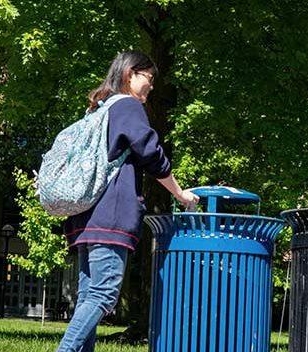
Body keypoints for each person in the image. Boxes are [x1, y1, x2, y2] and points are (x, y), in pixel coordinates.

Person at [56, 51, 200, 352]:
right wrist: (180, 193)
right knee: (104, 294)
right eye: (148, 78)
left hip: (86, 216)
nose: (151, 86)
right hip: (111, 216)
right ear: (130, 74)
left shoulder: (99, 109)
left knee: (88, 296)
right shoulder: (128, 106)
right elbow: (151, 154)